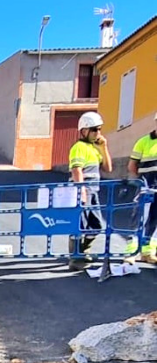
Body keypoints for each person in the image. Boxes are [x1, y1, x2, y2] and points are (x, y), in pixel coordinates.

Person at [68, 111, 111, 271]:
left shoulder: (94, 148)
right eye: (94, 129)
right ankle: (75, 259)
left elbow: (108, 168)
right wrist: (81, 191)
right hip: (83, 191)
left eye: (99, 129)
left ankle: (83, 251)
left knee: (96, 225)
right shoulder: (78, 147)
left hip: (93, 192)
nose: (98, 133)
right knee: (79, 224)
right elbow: (77, 170)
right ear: (84, 130)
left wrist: (104, 147)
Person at [127, 115, 157, 262]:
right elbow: (132, 166)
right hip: (146, 187)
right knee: (139, 217)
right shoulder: (143, 142)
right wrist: (144, 180)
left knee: (154, 220)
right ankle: (132, 252)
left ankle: (147, 252)